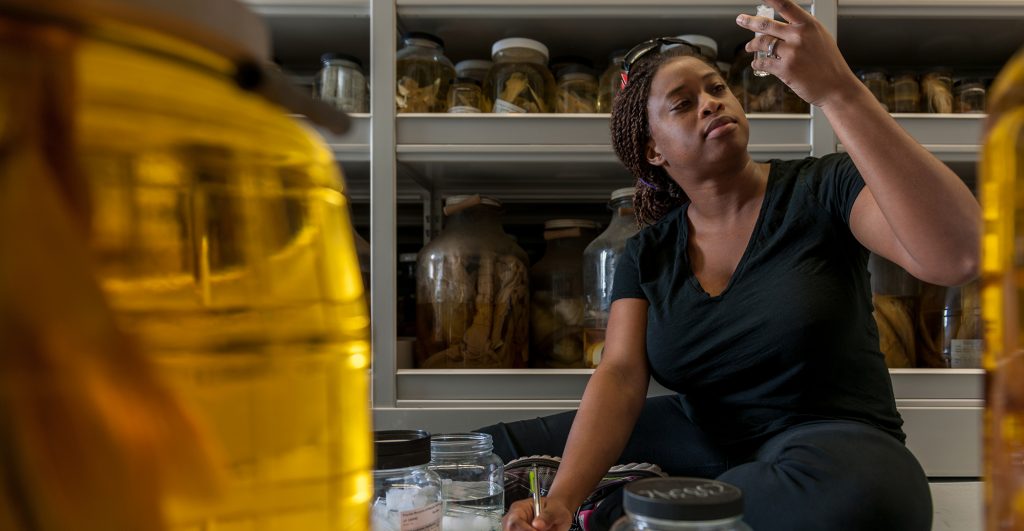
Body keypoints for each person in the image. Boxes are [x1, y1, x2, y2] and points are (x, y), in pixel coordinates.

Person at [481, 1, 981, 530]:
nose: (712, 103)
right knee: (489, 450)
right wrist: (560, 495)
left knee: (868, 496)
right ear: (652, 150)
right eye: (682, 103)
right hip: (702, 438)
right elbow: (622, 374)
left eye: (717, 88)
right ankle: (630, 505)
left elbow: (958, 254)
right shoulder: (649, 252)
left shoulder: (823, 188)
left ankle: (622, 510)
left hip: (834, 447)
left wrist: (837, 90)